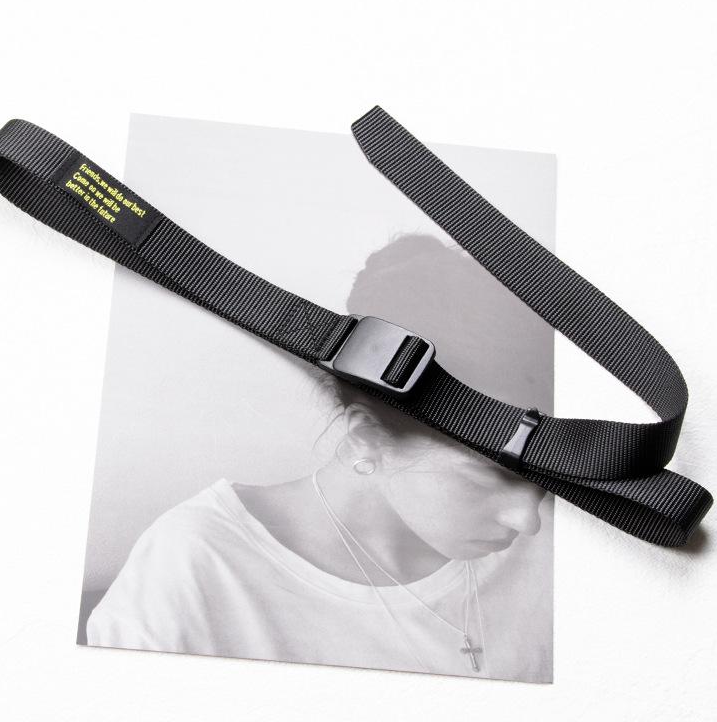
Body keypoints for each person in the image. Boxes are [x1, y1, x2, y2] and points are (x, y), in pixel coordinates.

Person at [87, 235, 553, 681]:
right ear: (366, 438)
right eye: (492, 476)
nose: (529, 520)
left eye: (545, 477)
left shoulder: (547, 550)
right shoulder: (197, 568)